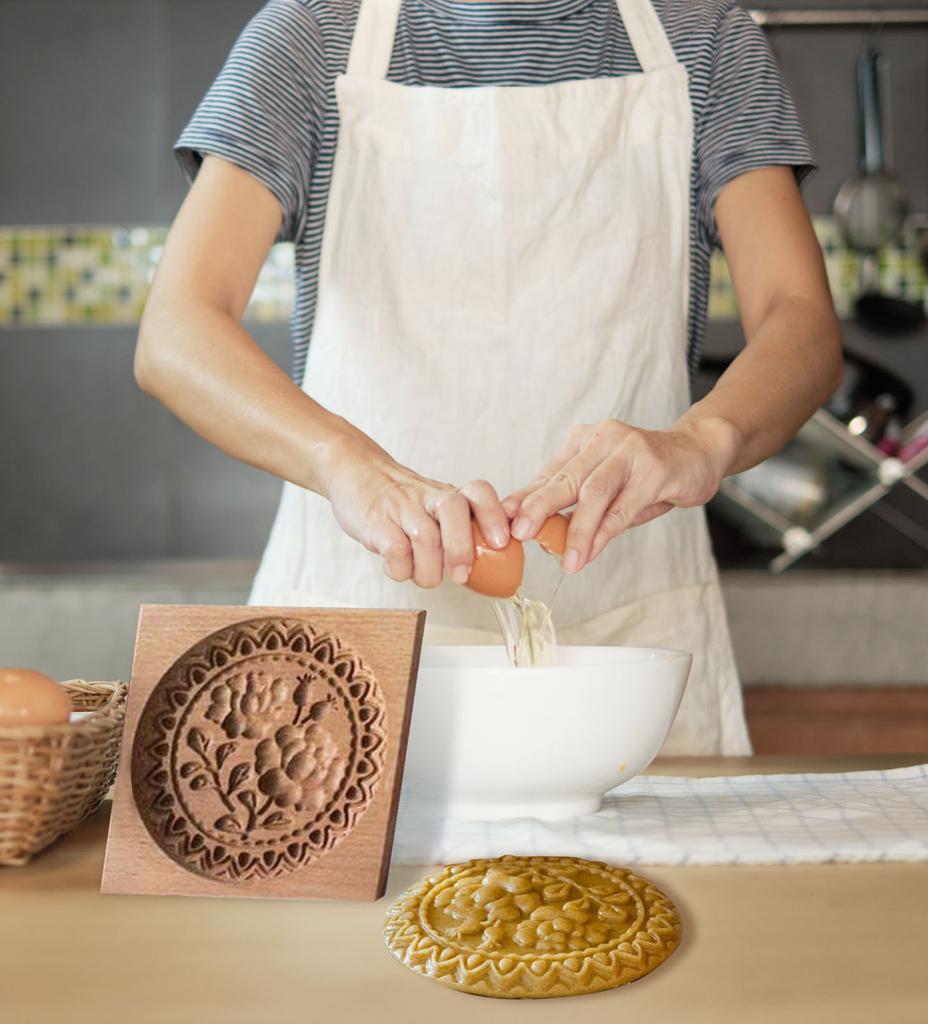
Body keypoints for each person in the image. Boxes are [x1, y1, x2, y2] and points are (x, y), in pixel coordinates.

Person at [135, 0, 842, 755]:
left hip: (627, 645)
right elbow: (178, 330)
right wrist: (349, 467)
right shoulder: (311, 36)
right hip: (358, 634)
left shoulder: (704, 41)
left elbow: (800, 318)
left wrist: (704, 438)